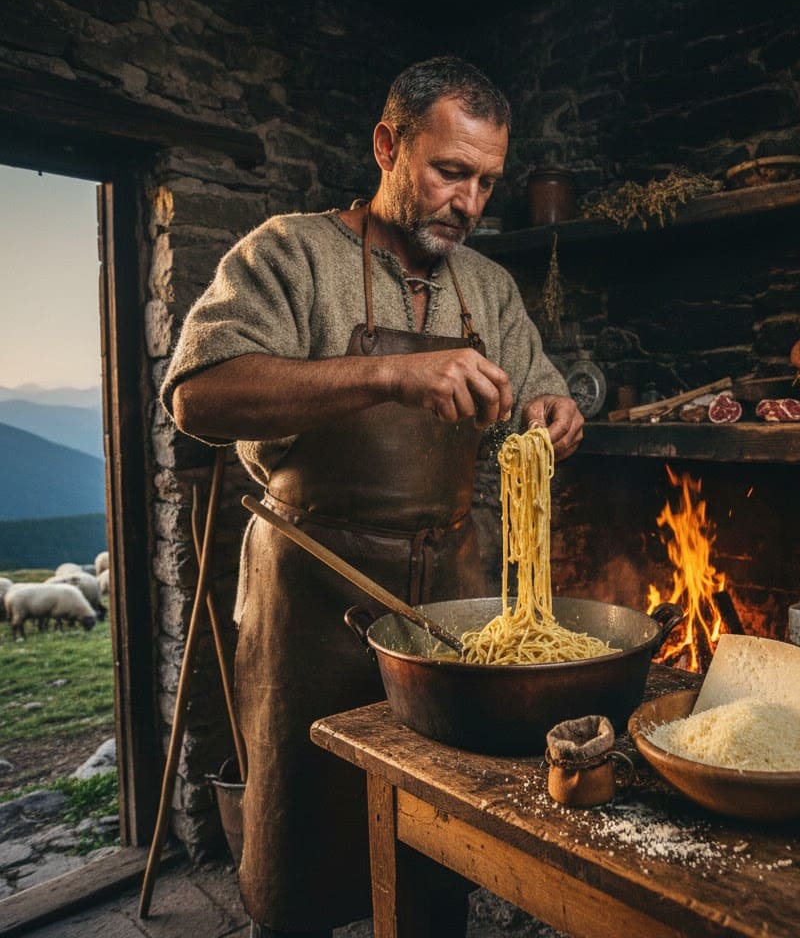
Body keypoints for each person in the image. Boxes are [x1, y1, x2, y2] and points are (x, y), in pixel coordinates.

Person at [161, 55, 583, 937]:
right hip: (314, 598)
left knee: (438, 835)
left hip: (447, 610)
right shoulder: (290, 253)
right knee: (304, 836)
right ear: (389, 145)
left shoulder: (490, 288)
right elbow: (198, 394)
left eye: (488, 182)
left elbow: (535, 398)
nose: (469, 202)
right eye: (450, 171)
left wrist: (551, 412)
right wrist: (388, 372)